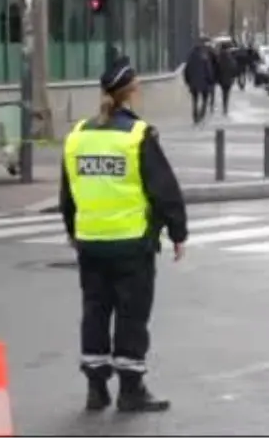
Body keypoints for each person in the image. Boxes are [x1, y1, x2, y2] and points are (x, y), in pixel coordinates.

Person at [59, 56, 188, 413]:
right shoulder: (138, 135)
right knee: (132, 315)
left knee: (95, 310)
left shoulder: (77, 136)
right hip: (132, 243)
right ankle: (131, 390)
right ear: (130, 92)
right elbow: (163, 189)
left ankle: (95, 389)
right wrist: (178, 231)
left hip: (91, 243)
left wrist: (72, 230)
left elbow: (67, 192)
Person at [182, 39, 214, 124]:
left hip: (193, 82)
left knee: (195, 100)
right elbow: (208, 70)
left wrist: (188, 81)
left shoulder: (190, 57)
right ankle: (202, 113)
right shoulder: (204, 56)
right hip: (204, 82)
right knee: (204, 99)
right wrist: (210, 80)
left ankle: (195, 115)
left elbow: (186, 71)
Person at [214, 42, 238, 116]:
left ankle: (224, 106)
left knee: (224, 92)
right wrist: (234, 76)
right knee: (226, 93)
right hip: (228, 78)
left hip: (221, 78)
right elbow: (234, 67)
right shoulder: (230, 57)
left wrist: (216, 77)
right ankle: (225, 108)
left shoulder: (218, 57)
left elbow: (216, 68)